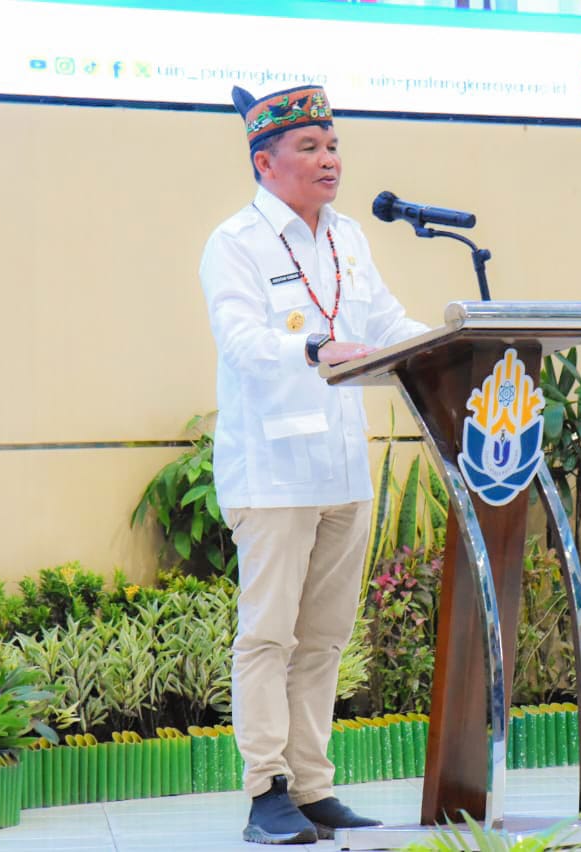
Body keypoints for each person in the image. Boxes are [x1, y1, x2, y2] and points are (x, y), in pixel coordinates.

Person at [198, 84, 428, 845]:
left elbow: (386, 321)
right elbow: (239, 341)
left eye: (333, 146)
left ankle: (313, 787)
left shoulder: (351, 235)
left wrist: (447, 340)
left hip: (342, 465)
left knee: (326, 637)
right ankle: (266, 790)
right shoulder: (234, 242)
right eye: (310, 147)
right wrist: (309, 347)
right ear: (265, 162)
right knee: (268, 636)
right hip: (271, 472)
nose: (329, 160)